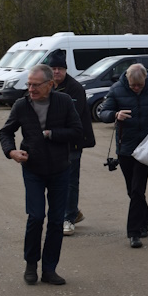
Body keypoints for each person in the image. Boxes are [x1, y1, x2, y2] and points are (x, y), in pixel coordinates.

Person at [0, 64, 83, 285]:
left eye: (36, 85)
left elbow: (77, 131)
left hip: (60, 170)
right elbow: (6, 132)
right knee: (36, 217)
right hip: (33, 170)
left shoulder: (63, 103)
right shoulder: (21, 105)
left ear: (50, 84)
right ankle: (30, 264)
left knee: (56, 221)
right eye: (28, 84)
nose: (31, 89)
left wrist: (52, 134)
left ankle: (49, 269)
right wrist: (11, 151)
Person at [99, 63, 148, 248]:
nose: (136, 89)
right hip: (125, 147)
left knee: (137, 189)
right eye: (133, 86)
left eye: (139, 86)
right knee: (132, 190)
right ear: (127, 80)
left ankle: (134, 233)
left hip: (147, 146)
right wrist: (116, 114)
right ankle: (145, 220)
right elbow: (103, 112)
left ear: (145, 80)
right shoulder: (117, 89)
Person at [48, 52, 96, 236]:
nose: (57, 72)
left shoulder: (75, 88)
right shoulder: (47, 86)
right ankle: (73, 212)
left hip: (73, 141)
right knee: (56, 180)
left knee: (70, 181)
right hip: (54, 141)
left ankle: (68, 218)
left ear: (65, 70)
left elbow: (70, 116)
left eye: (60, 69)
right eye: (53, 69)